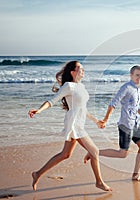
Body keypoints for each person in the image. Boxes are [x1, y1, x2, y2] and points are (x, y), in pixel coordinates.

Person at [28, 61, 112, 192]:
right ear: (72, 72)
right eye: (80, 68)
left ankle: (37, 174)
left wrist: (96, 121)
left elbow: (83, 109)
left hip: (79, 123)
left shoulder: (82, 87)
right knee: (94, 151)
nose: (83, 70)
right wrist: (39, 110)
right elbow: (52, 101)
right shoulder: (68, 86)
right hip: (74, 124)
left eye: (83, 68)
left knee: (65, 154)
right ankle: (99, 182)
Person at [84, 65, 140, 181]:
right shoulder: (126, 87)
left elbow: (136, 106)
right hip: (125, 125)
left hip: (135, 124)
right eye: (137, 75)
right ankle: (94, 152)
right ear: (131, 75)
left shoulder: (136, 88)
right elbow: (113, 103)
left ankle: (135, 175)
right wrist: (106, 119)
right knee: (122, 154)